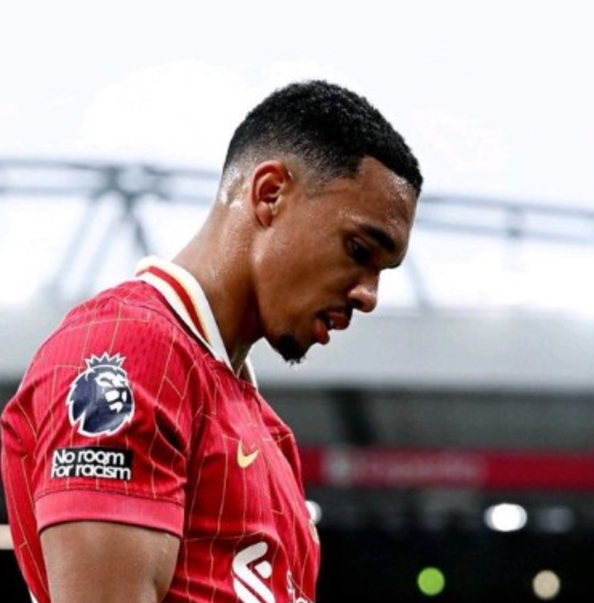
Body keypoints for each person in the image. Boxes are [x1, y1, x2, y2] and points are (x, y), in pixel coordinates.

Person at [0, 79, 423, 603]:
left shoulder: (269, 432)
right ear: (270, 193)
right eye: (359, 249)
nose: (369, 296)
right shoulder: (125, 351)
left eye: (383, 272)